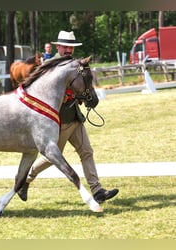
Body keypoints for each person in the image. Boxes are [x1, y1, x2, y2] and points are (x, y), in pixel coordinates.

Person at [17, 30, 119, 204]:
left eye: (71, 47)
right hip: (59, 121)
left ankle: (97, 191)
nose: (68, 50)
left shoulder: (74, 64)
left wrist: (84, 96)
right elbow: (40, 92)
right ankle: (25, 179)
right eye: (65, 46)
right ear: (58, 47)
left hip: (75, 118)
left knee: (86, 151)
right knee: (51, 158)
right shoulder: (49, 65)